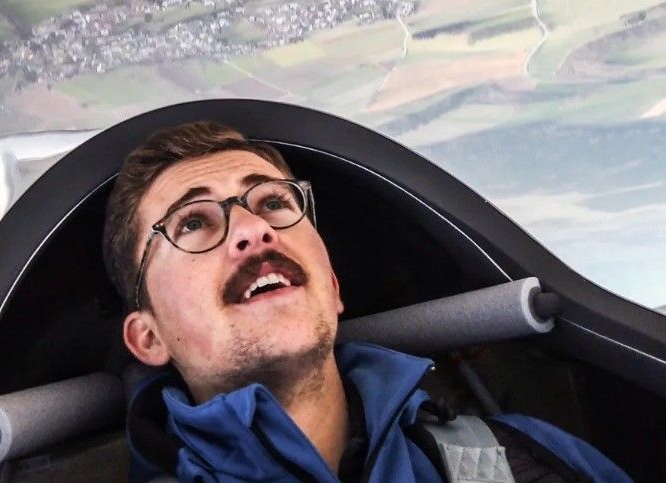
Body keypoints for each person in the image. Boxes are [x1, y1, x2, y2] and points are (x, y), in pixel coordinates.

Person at [102, 121, 631, 482]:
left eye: (273, 202)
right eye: (193, 222)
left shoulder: (530, 459)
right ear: (148, 337)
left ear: (332, 287)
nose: (253, 229)